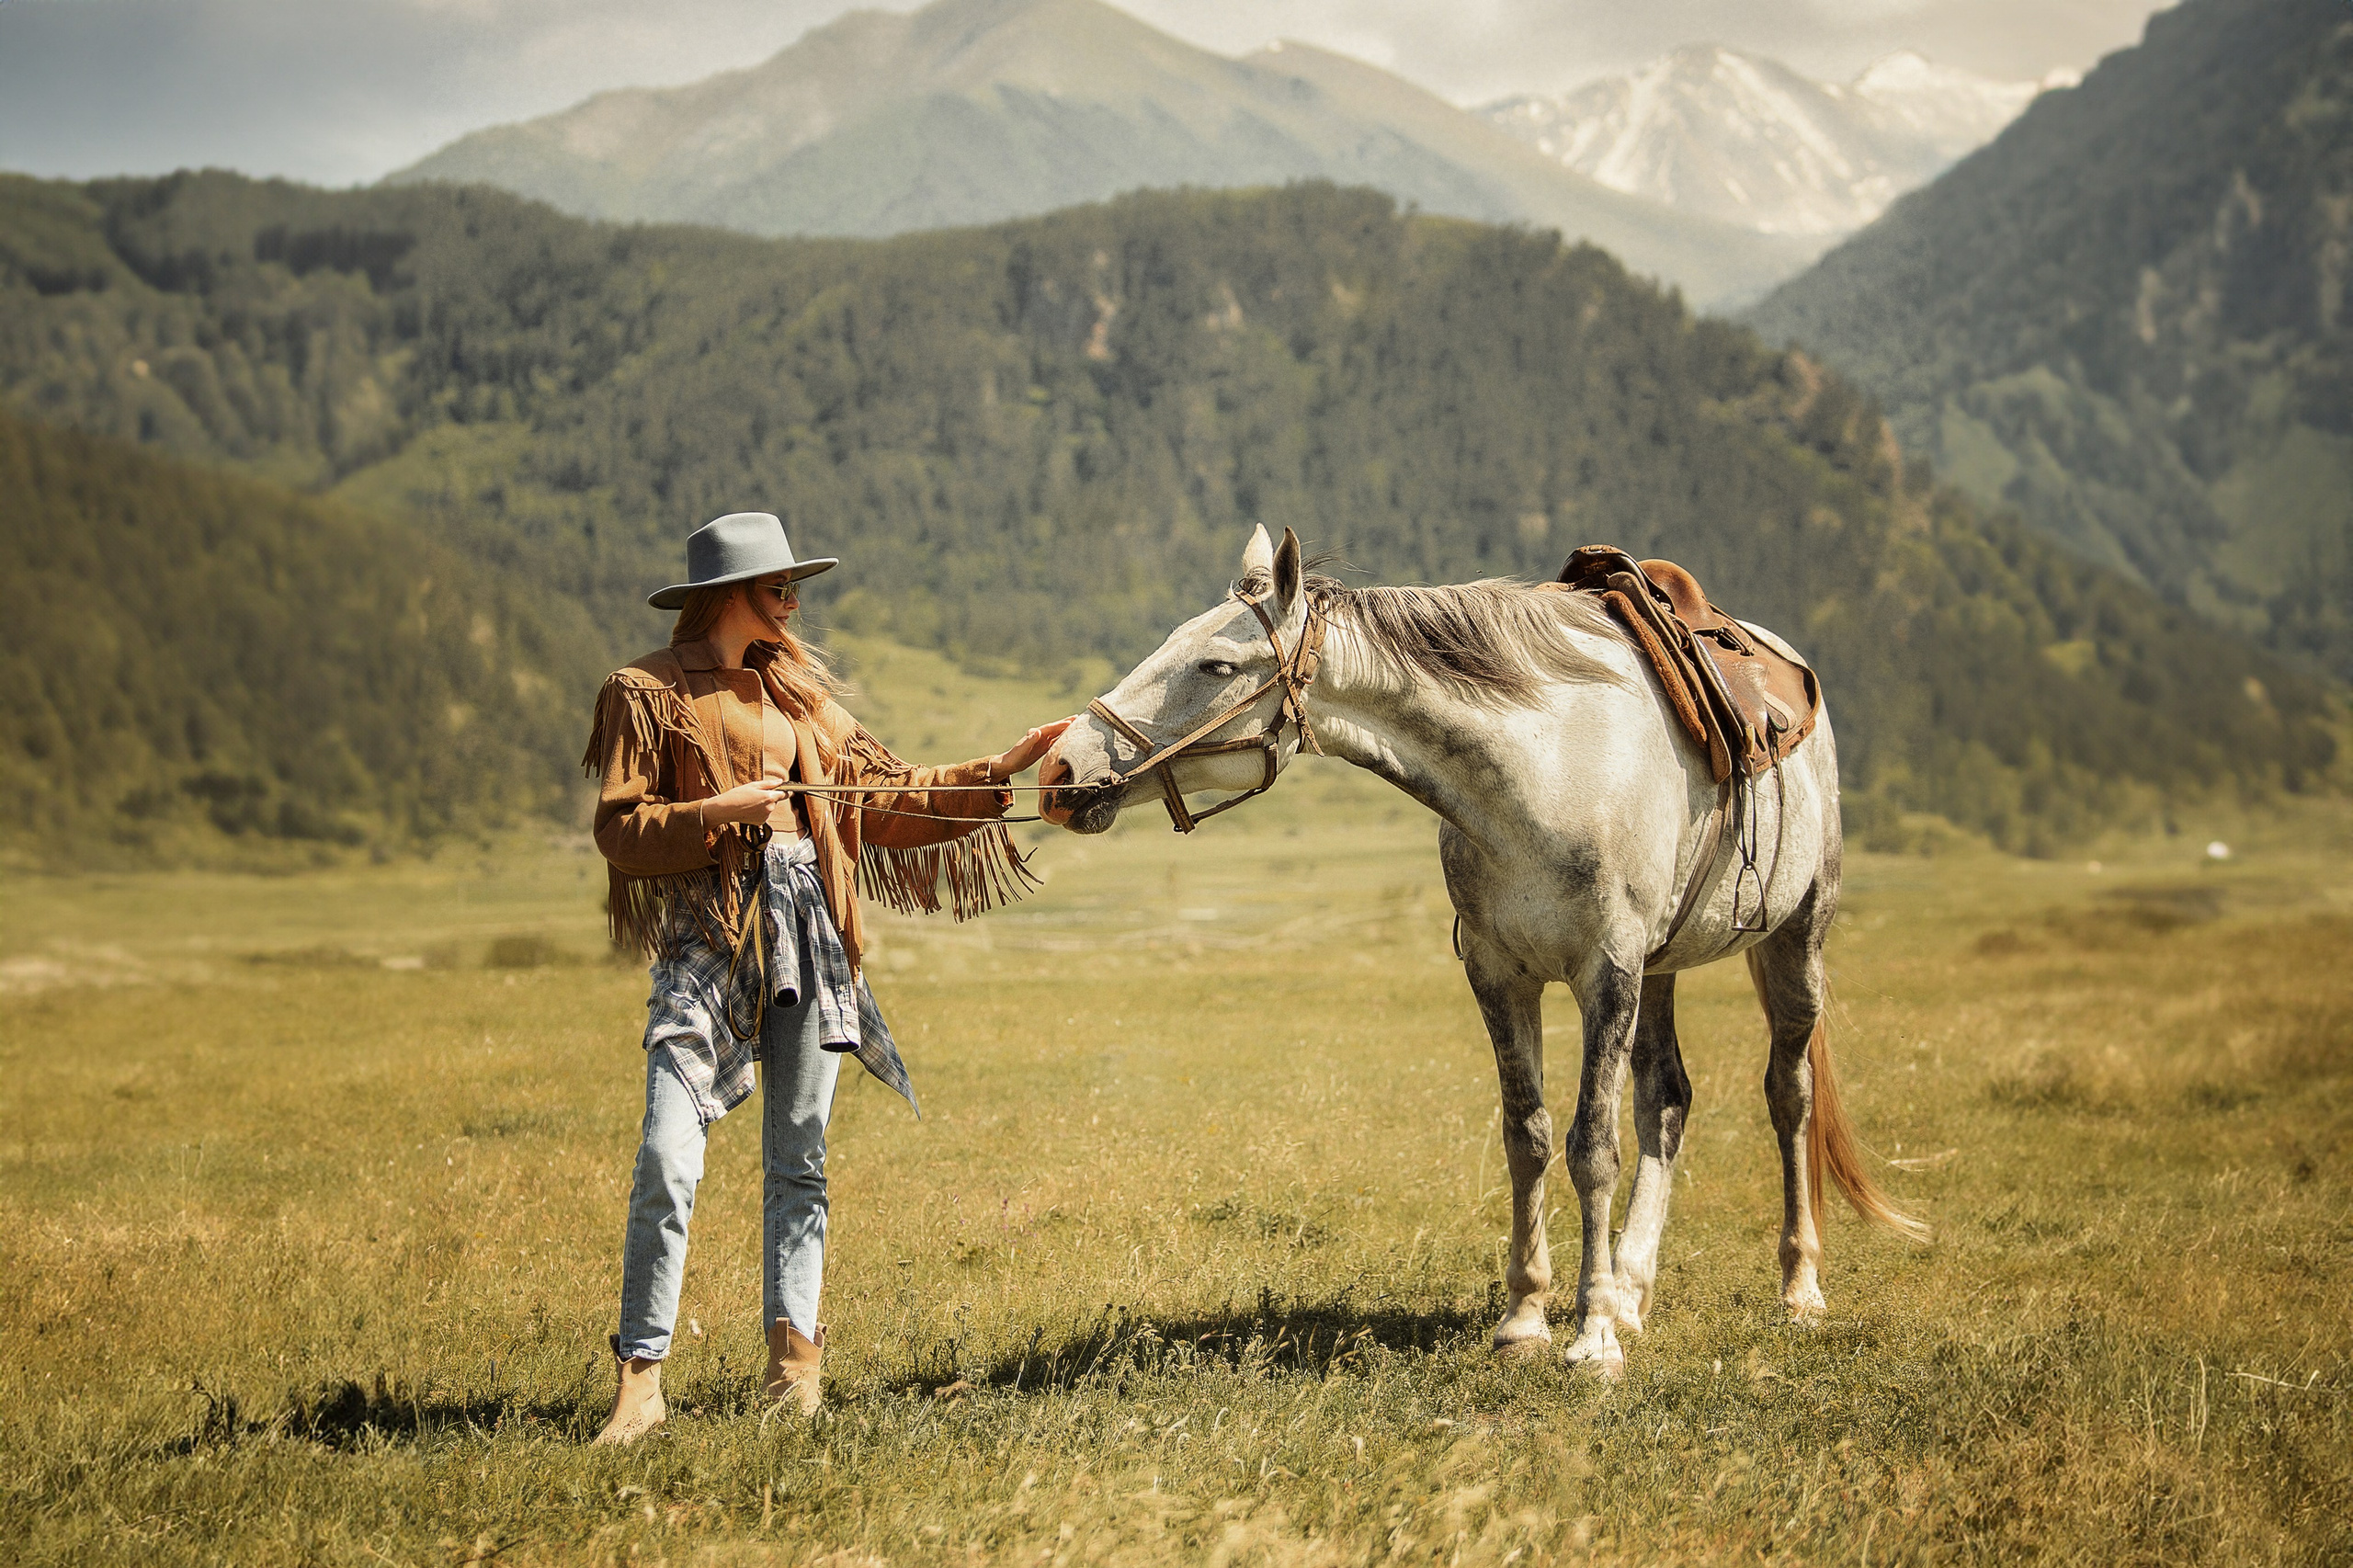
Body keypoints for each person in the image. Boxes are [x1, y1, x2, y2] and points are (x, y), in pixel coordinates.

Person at [583, 511, 1070, 1443]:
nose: (795, 598)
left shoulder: (806, 704)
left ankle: (793, 1370)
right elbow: (618, 829)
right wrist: (713, 810)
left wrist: (997, 769)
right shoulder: (643, 691)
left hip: (811, 931)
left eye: (795, 584)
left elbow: (888, 798)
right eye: (780, 583)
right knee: (666, 1151)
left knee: (799, 1160)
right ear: (729, 593)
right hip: (707, 936)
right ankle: (640, 1382)